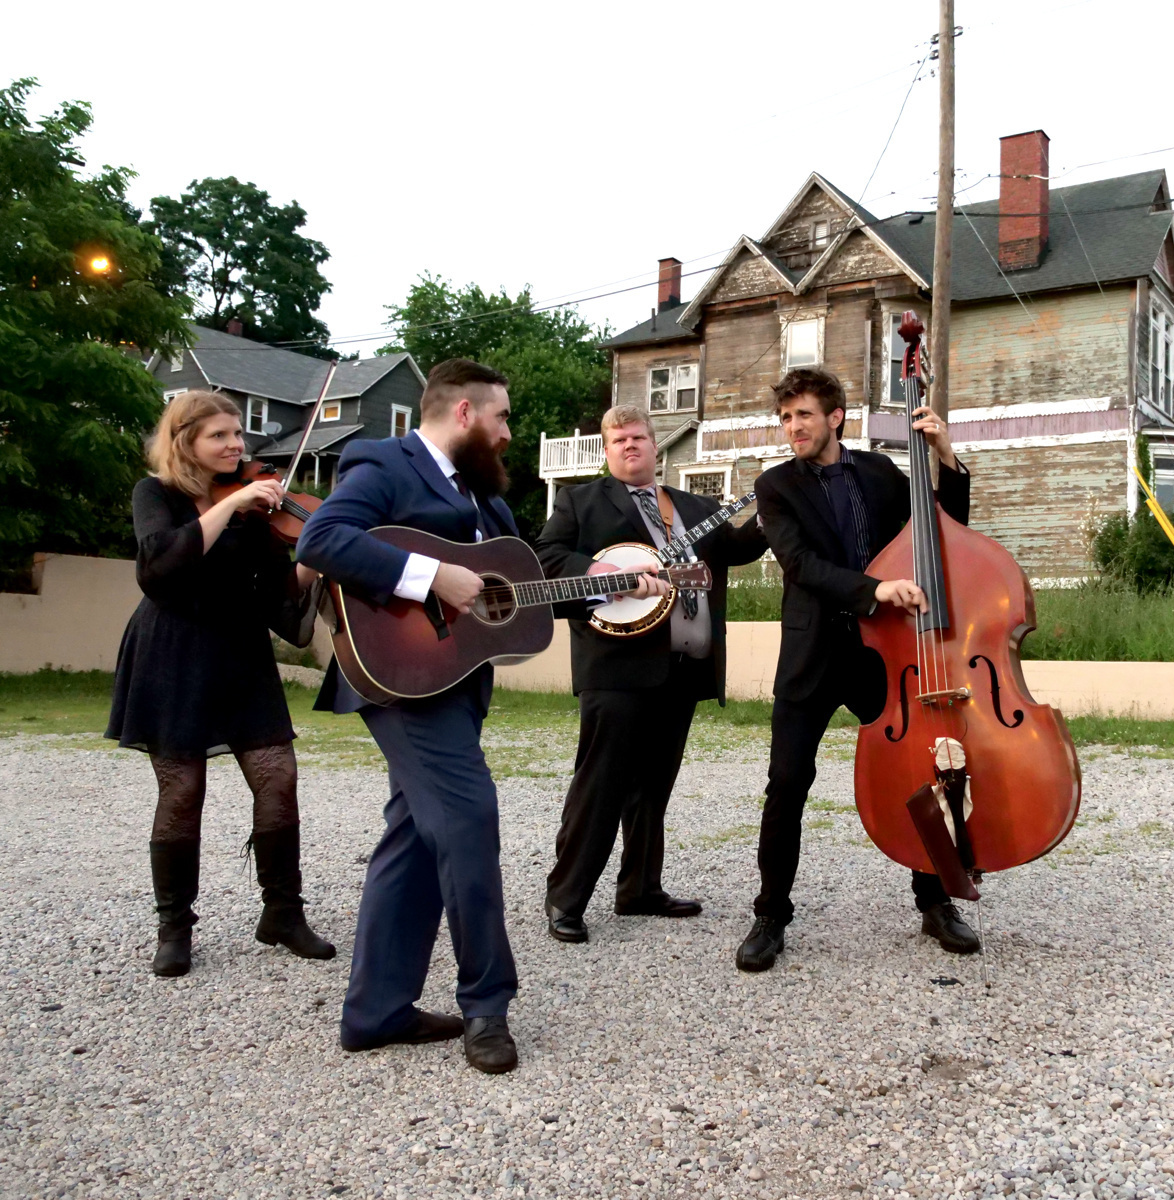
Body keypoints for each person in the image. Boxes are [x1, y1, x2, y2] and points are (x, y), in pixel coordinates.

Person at [296, 358, 522, 1075]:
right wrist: (430, 576)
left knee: (416, 838)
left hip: (452, 680)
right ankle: (487, 1005)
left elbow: (523, 581)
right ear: (464, 413)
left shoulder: (484, 499)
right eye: (503, 417)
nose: (509, 433)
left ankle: (376, 1012)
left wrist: (614, 588)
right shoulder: (385, 462)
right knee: (468, 819)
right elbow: (321, 539)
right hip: (398, 683)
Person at [736, 366, 981, 972]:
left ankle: (935, 902)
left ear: (835, 418)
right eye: (787, 416)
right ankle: (771, 915)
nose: (793, 426)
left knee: (918, 774)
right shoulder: (774, 487)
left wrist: (945, 457)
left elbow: (942, 530)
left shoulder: (878, 473)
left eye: (804, 415)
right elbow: (801, 566)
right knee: (787, 785)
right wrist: (876, 589)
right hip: (813, 654)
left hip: (886, 655)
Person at [107, 389, 335, 979]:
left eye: (238, 434)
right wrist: (226, 510)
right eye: (220, 435)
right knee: (182, 793)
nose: (237, 444)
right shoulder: (156, 495)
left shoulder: (259, 511)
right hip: (174, 651)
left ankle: (282, 913)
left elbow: (280, 609)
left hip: (240, 653)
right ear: (186, 441)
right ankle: (174, 928)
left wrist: (311, 556)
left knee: (278, 778)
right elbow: (160, 566)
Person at [533, 405, 768, 944]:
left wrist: (773, 507)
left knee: (652, 789)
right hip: (615, 665)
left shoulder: (694, 506)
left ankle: (639, 889)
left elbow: (739, 548)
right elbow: (546, 558)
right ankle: (565, 898)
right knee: (601, 785)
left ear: (654, 444)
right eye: (617, 440)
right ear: (606, 448)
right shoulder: (581, 502)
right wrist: (603, 572)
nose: (628, 446)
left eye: (637, 436)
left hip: (683, 667)